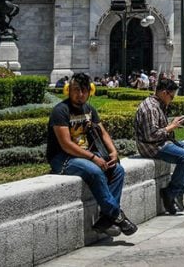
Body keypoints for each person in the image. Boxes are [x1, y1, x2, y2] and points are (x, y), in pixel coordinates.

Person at [46, 72, 137, 235]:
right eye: (75, 90)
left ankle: (106, 219)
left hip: (85, 156)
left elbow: (102, 133)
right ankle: (117, 215)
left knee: (117, 170)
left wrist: (113, 152)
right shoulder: (60, 111)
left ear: (90, 91)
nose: (80, 94)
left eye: (83, 90)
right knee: (95, 171)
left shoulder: (89, 109)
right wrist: (94, 158)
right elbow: (66, 145)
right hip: (63, 158)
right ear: (68, 90)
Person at [134, 77, 184, 214]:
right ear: (164, 93)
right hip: (152, 147)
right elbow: (150, 136)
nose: (172, 100)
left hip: (161, 142)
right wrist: (171, 127)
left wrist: (171, 124)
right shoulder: (150, 108)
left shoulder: (158, 104)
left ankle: (178, 192)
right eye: (171, 97)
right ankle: (170, 193)